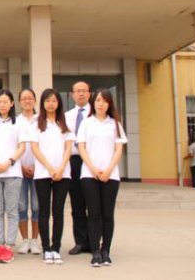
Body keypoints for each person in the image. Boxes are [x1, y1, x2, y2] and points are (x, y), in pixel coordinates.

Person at [77, 88, 128, 267]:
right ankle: (95, 252)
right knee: (93, 213)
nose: (101, 103)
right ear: (93, 102)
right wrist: (93, 169)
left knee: (108, 214)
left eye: (104, 101)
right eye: (98, 100)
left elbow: (119, 150)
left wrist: (108, 170)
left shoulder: (115, 124)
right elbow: (81, 147)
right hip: (89, 175)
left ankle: (106, 251)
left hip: (111, 176)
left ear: (109, 104)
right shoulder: (86, 123)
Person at [27, 88, 74, 265]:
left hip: (63, 173)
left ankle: (56, 248)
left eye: (54, 100)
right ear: (43, 103)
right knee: (44, 211)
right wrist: (49, 167)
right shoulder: (36, 124)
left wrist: (60, 168)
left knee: (58, 212)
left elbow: (68, 148)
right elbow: (35, 148)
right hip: (42, 174)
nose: (51, 104)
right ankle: (46, 248)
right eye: (47, 101)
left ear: (59, 103)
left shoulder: (65, 123)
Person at [0, 90, 27, 264]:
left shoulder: (19, 123)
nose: (2, 105)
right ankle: (0, 245)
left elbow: (22, 147)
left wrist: (9, 162)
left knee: (11, 210)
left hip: (13, 172)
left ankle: (9, 246)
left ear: (11, 104)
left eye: (5, 102)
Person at [64, 80, 92, 255]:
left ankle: (94, 241)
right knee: (77, 203)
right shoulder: (67, 116)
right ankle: (81, 242)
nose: (81, 93)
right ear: (72, 94)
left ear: (89, 93)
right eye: (77, 91)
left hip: (92, 161)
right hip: (73, 161)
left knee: (94, 204)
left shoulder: (97, 114)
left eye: (84, 90)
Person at [16, 89, 42, 255]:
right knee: (21, 206)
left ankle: (35, 240)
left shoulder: (41, 120)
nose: (27, 101)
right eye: (24, 99)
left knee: (37, 206)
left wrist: (37, 166)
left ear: (35, 100)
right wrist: (20, 166)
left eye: (30, 98)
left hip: (39, 170)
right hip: (19, 169)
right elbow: (12, 145)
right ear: (19, 102)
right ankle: (25, 240)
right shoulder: (15, 121)